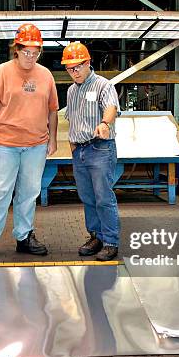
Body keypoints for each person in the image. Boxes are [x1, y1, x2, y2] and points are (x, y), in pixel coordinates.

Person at [0, 23, 59, 262]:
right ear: (17, 48)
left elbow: (53, 110)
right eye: (27, 51)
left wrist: (52, 139)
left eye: (36, 52)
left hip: (36, 145)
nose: (31, 56)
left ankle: (24, 237)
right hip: (4, 144)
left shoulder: (45, 75)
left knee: (29, 192)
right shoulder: (1, 73)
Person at [62, 42, 120, 261]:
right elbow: (72, 121)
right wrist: (73, 148)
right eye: (69, 69)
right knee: (87, 197)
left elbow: (111, 107)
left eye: (77, 67)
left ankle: (110, 241)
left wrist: (105, 124)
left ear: (88, 63)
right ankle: (95, 236)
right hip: (80, 152)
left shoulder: (104, 85)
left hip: (100, 148)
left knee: (103, 197)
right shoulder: (70, 91)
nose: (74, 72)